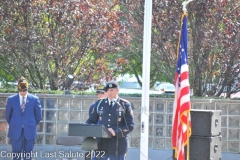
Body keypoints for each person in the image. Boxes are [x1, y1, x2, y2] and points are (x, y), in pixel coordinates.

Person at [86, 80, 134, 160]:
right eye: (107, 90)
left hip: (117, 145)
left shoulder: (124, 104)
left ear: (117, 90)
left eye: (112, 90)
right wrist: (86, 128)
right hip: (100, 144)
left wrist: (115, 132)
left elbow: (130, 125)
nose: (109, 92)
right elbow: (91, 121)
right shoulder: (99, 103)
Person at [5, 77, 42, 160]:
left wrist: (30, 123)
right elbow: (8, 116)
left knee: (28, 156)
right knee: (16, 156)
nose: (22, 92)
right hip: (15, 130)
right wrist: (15, 123)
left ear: (27, 88)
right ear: (18, 89)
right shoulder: (11, 99)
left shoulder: (34, 99)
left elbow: (38, 116)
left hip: (30, 130)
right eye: (20, 90)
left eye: (24, 90)